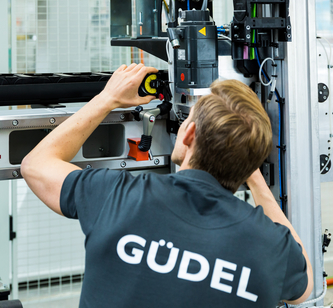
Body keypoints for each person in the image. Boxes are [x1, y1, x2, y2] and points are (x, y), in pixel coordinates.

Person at [21, 63, 313, 307]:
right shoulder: (271, 246)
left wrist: (107, 98)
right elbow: (305, 287)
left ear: (189, 135)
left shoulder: (118, 196)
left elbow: (35, 165)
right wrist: (253, 173)